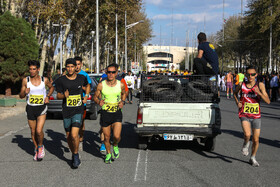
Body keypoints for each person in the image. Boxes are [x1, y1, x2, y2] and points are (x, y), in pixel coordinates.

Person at [55, 58, 90, 169]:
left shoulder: (82, 78)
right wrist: (63, 96)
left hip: (78, 110)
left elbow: (88, 86)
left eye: (72, 67)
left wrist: (86, 96)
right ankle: (74, 153)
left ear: (76, 67)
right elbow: (57, 95)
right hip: (66, 111)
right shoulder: (61, 80)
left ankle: (75, 156)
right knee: (69, 136)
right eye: (68, 67)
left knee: (75, 134)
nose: (70, 69)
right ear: (66, 67)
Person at [233, 65, 270, 167]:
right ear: (245, 75)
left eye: (253, 74)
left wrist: (259, 93)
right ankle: (245, 144)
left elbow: (268, 101)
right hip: (244, 113)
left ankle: (253, 157)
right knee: (248, 135)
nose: (251, 76)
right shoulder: (242, 84)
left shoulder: (260, 85)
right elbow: (235, 93)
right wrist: (237, 103)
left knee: (256, 139)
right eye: (249, 74)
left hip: (256, 115)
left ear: (256, 74)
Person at [19, 60, 54, 161]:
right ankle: (36, 148)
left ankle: (40, 146)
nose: (32, 71)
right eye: (30, 69)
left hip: (41, 108)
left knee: (39, 131)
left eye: (34, 69)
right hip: (30, 108)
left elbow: (52, 88)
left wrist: (47, 96)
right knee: (33, 131)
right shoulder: (26, 80)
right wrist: (24, 92)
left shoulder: (44, 80)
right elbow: (20, 96)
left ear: (38, 69)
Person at [93, 63, 126, 164]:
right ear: (106, 72)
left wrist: (122, 101)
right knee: (106, 137)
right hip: (105, 113)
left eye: (113, 72)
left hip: (116, 113)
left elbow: (124, 93)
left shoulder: (120, 84)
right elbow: (95, 97)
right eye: (109, 72)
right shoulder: (101, 85)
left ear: (116, 73)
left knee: (116, 136)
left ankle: (115, 145)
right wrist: (99, 102)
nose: (111, 74)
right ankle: (108, 153)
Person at [74, 56, 92, 151]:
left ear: (81, 64)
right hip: (71, 103)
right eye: (75, 64)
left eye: (78, 64)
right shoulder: (69, 74)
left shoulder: (84, 75)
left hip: (81, 103)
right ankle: (73, 139)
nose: (76, 66)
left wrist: (83, 89)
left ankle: (80, 139)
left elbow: (89, 87)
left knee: (80, 122)